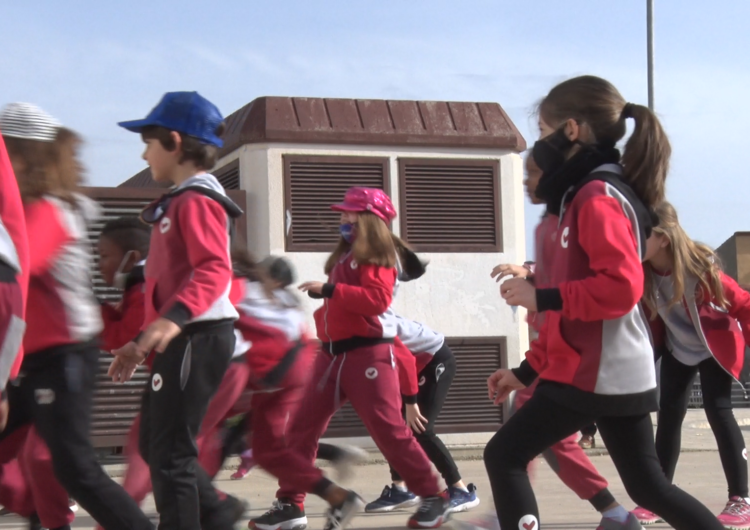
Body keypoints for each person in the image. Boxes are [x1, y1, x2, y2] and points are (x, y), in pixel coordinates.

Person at [485, 75, 724, 530]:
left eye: (541, 133)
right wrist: (526, 371)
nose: (536, 148)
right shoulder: (583, 195)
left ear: (571, 130)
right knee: (649, 487)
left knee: (505, 454)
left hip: (599, 370)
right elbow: (568, 315)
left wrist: (540, 294)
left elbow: (618, 289)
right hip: (605, 367)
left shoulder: (598, 194)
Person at [249, 187, 451, 530]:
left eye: (350, 212)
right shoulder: (348, 256)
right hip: (332, 356)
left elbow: (375, 300)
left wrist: (328, 291)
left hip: (367, 354)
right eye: (342, 213)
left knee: (389, 431)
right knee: (300, 429)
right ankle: (290, 505)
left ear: (371, 219)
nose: (343, 218)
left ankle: (434, 497)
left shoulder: (376, 255)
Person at [0, 102, 154, 530]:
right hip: (30, 359)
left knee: (76, 469)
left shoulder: (49, 209)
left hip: (63, 355)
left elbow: (17, 266)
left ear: (20, 155)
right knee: (43, 463)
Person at [110, 92, 245, 529]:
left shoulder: (197, 200)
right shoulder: (180, 200)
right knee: (155, 446)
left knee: (171, 456)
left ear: (173, 141)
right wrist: (139, 340)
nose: (144, 152)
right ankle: (218, 513)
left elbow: (214, 269)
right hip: (185, 334)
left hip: (198, 334)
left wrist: (171, 320)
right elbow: (171, 284)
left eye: (148, 142)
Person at [631, 201, 750, 528]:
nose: (632, 239)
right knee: (668, 417)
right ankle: (656, 497)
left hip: (713, 348)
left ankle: (741, 498)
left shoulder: (699, 270)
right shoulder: (641, 271)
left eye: (641, 233)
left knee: (718, 410)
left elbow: (744, 304)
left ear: (663, 239)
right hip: (678, 349)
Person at [364, 315, 479, 514]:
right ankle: (401, 490)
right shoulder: (350, 324)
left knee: (421, 429)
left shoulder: (372, 325)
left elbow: (406, 361)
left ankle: (460, 489)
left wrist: (411, 403)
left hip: (435, 360)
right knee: (396, 427)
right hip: (415, 363)